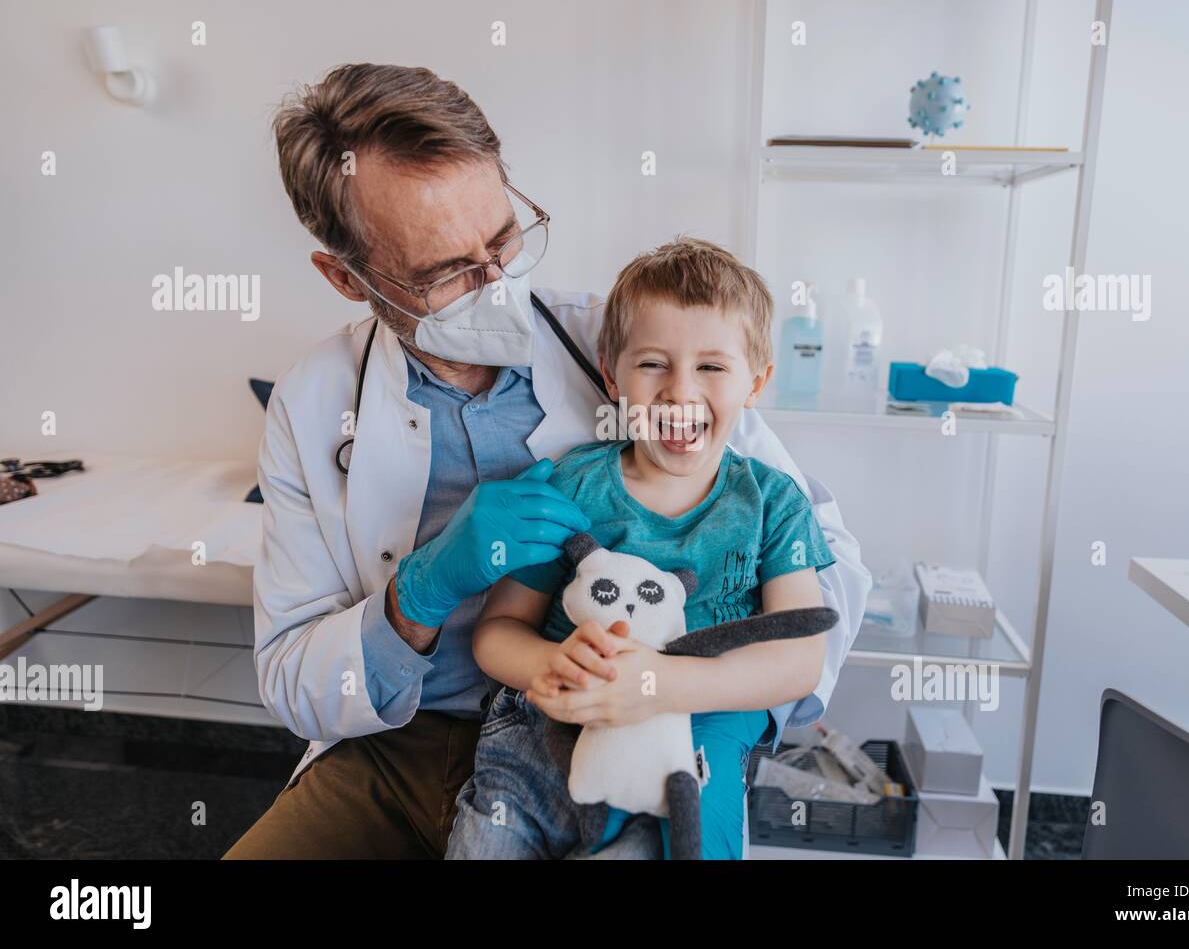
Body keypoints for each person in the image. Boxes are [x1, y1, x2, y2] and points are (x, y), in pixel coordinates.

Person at [223, 63, 870, 859]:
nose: (496, 283)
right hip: (397, 750)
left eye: (503, 238)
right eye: (447, 273)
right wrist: (419, 595)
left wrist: (690, 700)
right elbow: (291, 679)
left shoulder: (643, 348)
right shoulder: (314, 400)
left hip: (611, 728)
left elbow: (826, 573)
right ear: (346, 277)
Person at [446, 237, 835, 859]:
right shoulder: (571, 484)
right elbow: (497, 632)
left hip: (683, 748)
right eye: (653, 363)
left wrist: (659, 683)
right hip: (540, 742)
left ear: (756, 382)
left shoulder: (772, 503)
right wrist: (548, 668)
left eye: (712, 367)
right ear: (611, 373)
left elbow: (798, 660)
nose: (681, 392)